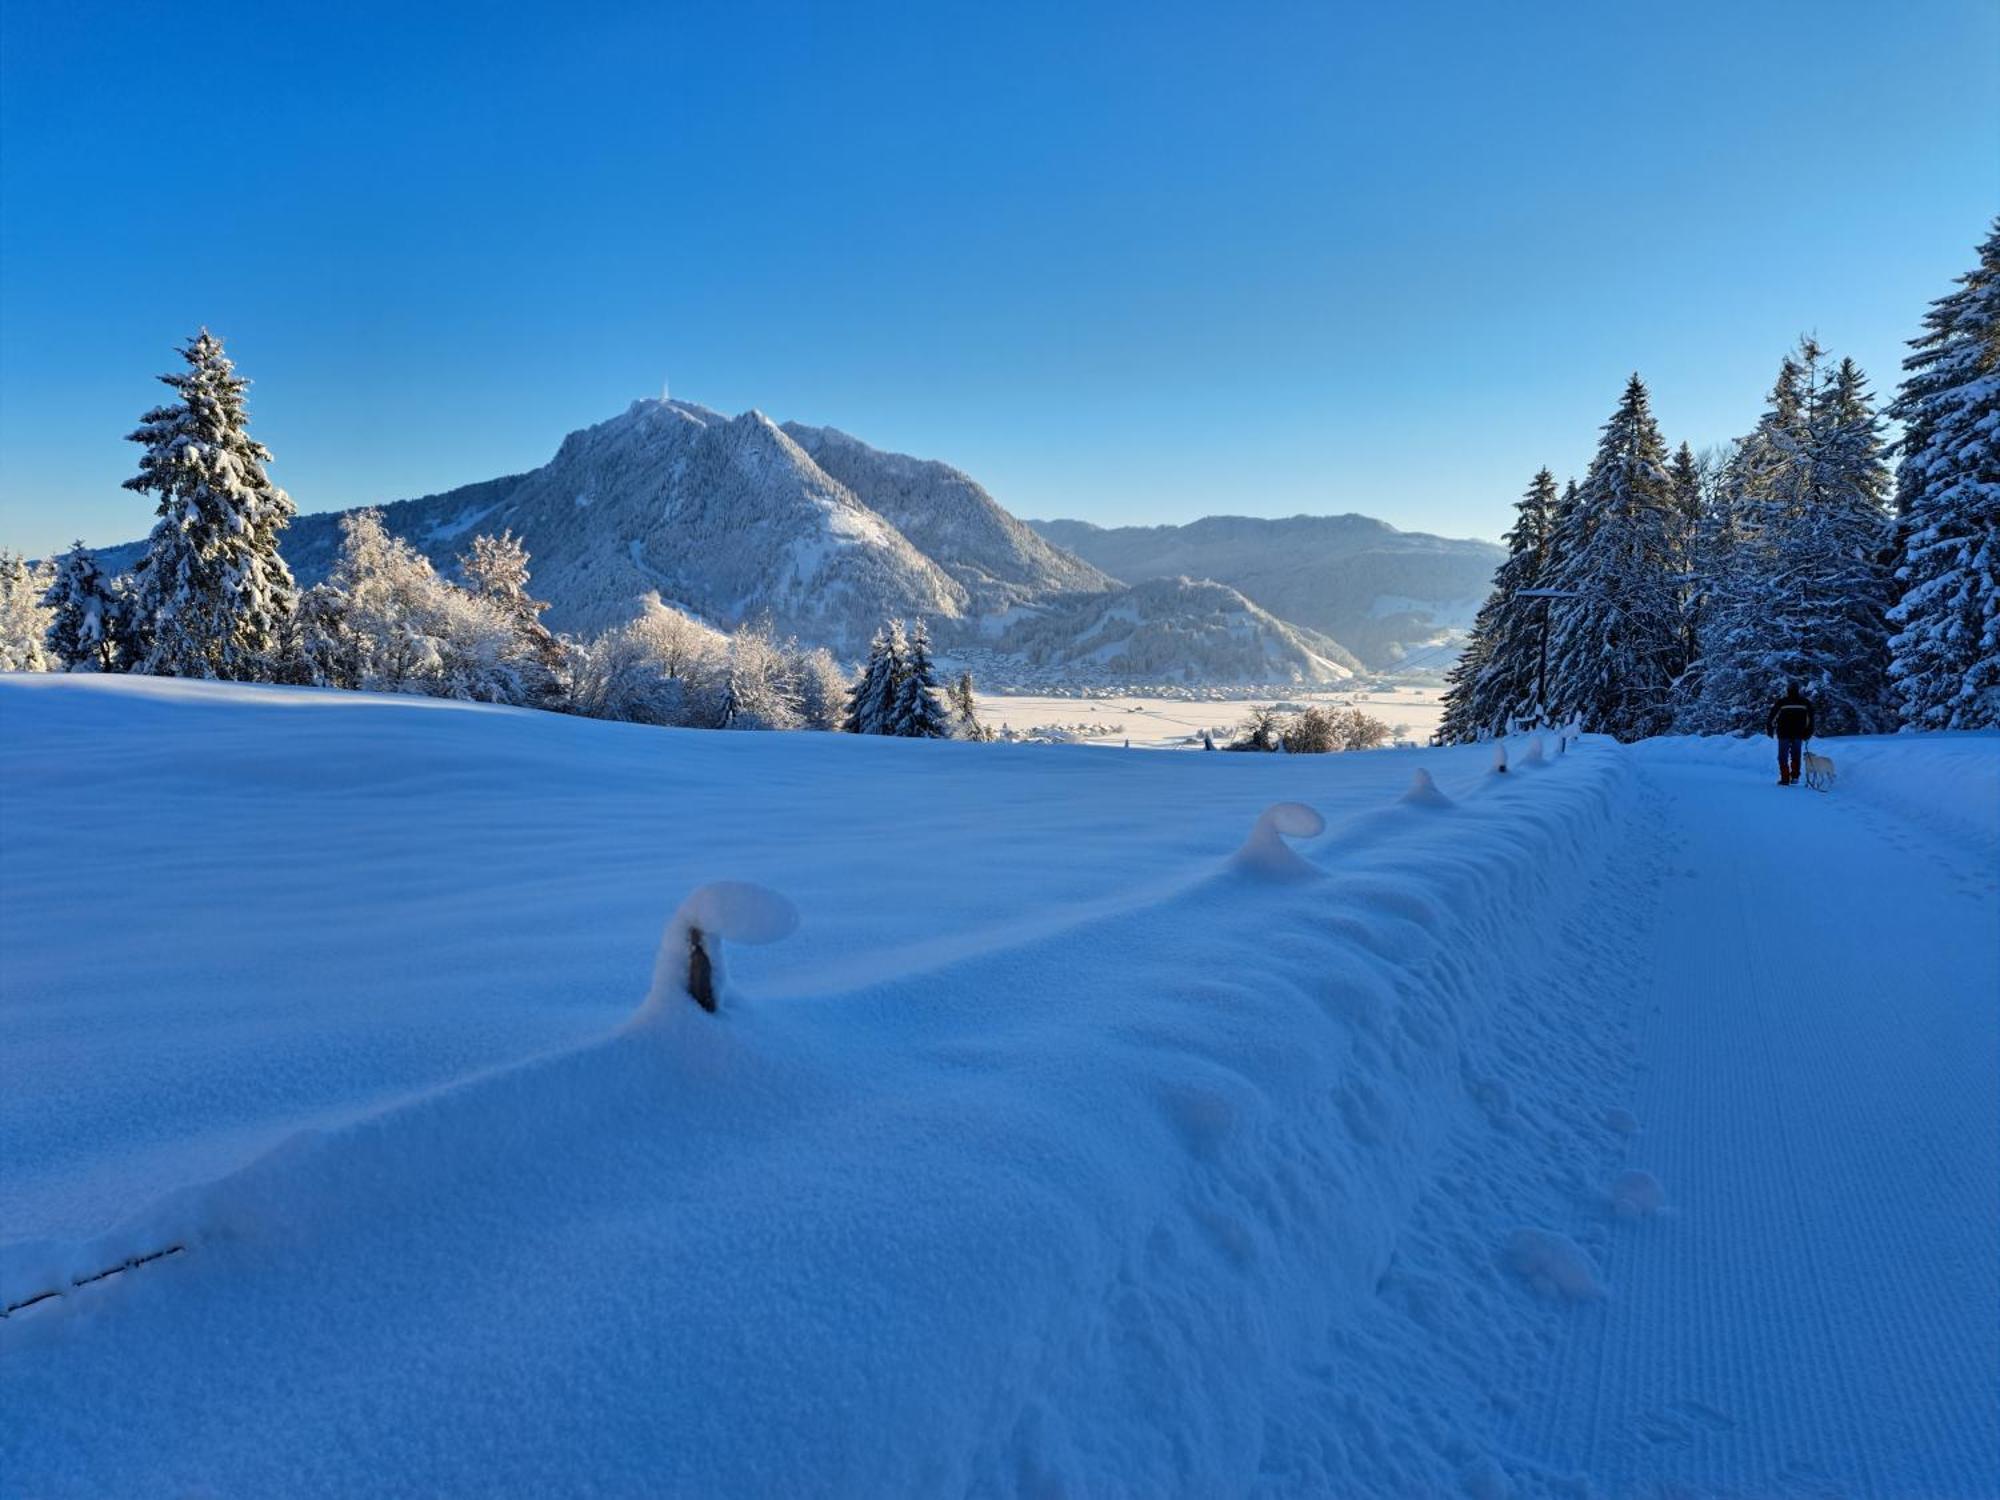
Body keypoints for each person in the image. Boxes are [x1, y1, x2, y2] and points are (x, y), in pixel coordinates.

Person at [1766, 681, 1815, 786]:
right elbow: (1811, 719)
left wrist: (1770, 729)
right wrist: (1808, 732)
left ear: (1788, 690)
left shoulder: (1782, 702)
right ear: (1798, 690)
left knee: (1783, 756)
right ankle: (1795, 777)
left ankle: (1785, 778)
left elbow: (1772, 716)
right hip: (1799, 733)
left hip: (1783, 733)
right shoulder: (1805, 702)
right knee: (1796, 755)